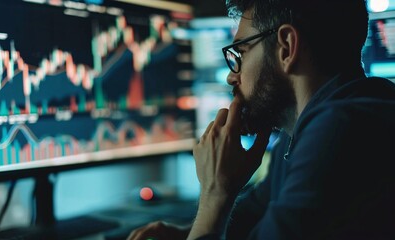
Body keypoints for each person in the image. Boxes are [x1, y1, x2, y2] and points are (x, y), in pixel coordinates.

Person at [127, 0, 395, 239]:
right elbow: (251, 219)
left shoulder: (342, 131)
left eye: (241, 53)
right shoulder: (300, 134)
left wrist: (215, 192)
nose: (232, 76)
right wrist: (187, 233)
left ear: (287, 47)